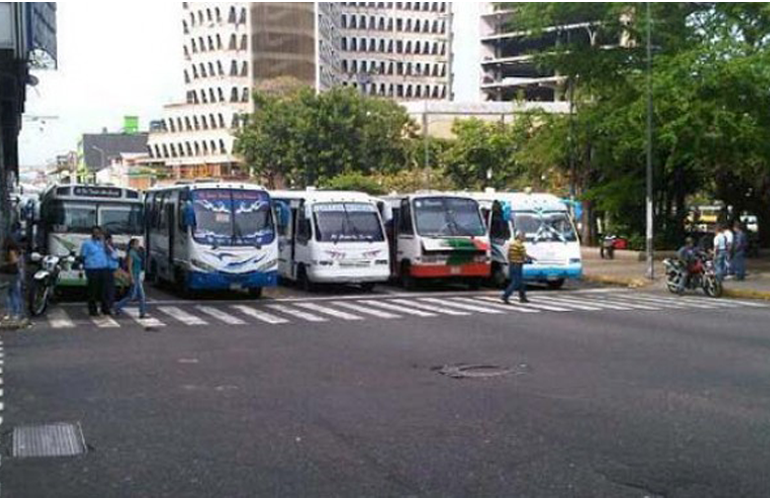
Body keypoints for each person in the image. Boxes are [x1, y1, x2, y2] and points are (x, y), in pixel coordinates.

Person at [114, 238, 148, 319]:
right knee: (132, 296)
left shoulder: (136, 252)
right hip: (134, 276)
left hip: (137, 275)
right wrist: (132, 278)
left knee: (140, 295)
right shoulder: (131, 253)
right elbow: (129, 266)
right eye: (136, 244)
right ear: (132, 245)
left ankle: (142, 312)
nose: (138, 245)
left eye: (138, 244)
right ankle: (117, 306)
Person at [80, 226, 109, 316]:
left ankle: (105, 309)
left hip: (103, 268)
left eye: (99, 233)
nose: (97, 234)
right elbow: (83, 256)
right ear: (92, 234)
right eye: (95, 233)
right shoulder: (87, 244)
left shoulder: (103, 243)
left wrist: (105, 242)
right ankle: (93, 310)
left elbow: (109, 252)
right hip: (92, 269)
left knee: (104, 290)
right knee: (93, 291)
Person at [502, 231, 536, 304]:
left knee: (521, 282)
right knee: (516, 282)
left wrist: (511, 260)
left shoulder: (512, 244)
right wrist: (532, 258)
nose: (525, 238)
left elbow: (508, 255)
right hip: (518, 264)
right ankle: (505, 295)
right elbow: (524, 255)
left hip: (512, 264)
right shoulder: (520, 245)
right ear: (520, 237)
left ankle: (522, 297)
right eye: (523, 237)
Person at [1, 239, 26, 326]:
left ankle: (13, 313)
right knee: (14, 293)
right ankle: (16, 313)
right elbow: (18, 263)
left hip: (8, 274)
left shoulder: (10, 251)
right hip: (14, 274)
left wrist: (4, 264)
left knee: (10, 294)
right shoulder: (17, 251)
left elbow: (13, 261)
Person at [103, 234, 120, 315]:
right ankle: (108, 308)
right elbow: (114, 256)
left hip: (112, 269)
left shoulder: (112, 247)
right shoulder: (105, 248)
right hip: (107, 269)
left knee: (110, 290)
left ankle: (108, 307)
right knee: (109, 290)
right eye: (109, 240)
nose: (111, 241)